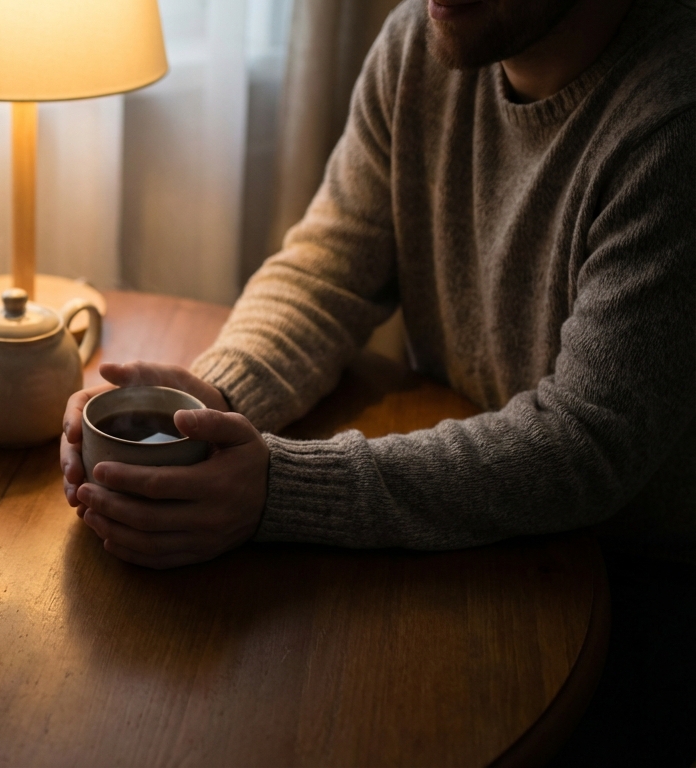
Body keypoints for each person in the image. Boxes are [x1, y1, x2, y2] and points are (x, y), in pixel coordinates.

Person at [60, 0, 694, 761]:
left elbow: (586, 444)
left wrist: (276, 492)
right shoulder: (421, 43)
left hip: (631, 601)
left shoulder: (671, 121)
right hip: (465, 536)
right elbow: (328, 269)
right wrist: (214, 399)